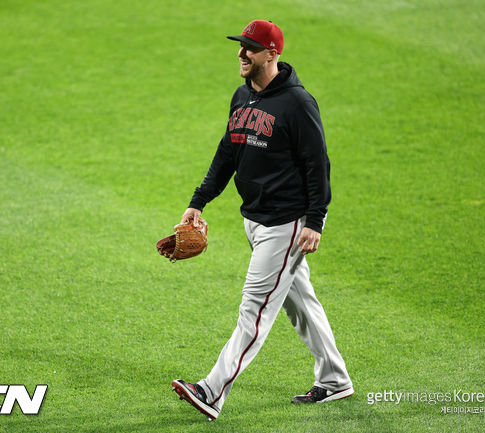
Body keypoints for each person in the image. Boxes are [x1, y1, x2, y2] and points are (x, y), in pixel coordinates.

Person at [170, 20, 353, 421]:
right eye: (241, 46)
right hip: (254, 220)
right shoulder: (241, 96)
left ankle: (212, 390)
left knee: (254, 309)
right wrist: (199, 201)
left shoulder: (298, 103)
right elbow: (227, 153)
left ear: (272, 54)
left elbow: (317, 164)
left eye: (250, 48)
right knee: (301, 304)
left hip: (286, 225)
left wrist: (315, 221)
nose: (241, 53)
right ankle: (336, 380)